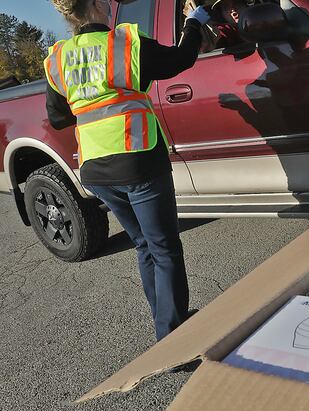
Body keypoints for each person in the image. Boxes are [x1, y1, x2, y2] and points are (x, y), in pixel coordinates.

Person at [45, 0, 211, 340]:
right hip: (137, 160)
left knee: (144, 245)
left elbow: (58, 117)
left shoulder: (59, 58)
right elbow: (180, 60)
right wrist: (194, 21)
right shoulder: (123, 43)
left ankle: (166, 322)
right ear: (94, 5)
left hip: (96, 169)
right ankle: (171, 337)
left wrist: (89, 99)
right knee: (164, 247)